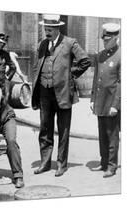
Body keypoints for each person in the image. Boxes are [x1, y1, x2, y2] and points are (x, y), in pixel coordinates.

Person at [31, 14, 91, 177]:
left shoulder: (70, 43)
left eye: (49, 29)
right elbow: (38, 66)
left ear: (57, 28)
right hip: (44, 92)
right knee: (44, 128)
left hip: (63, 92)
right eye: (45, 29)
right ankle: (45, 162)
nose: (47, 32)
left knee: (63, 131)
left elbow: (85, 60)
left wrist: (71, 74)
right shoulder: (42, 44)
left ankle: (61, 164)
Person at [90, 23, 121, 178]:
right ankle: (103, 162)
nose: (104, 41)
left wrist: (116, 105)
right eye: (103, 39)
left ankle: (112, 165)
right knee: (102, 134)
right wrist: (92, 98)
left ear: (116, 38)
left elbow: (122, 83)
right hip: (100, 101)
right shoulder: (101, 55)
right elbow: (96, 78)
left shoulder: (122, 55)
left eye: (107, 39)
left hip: (112, 102)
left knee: (112, 135)